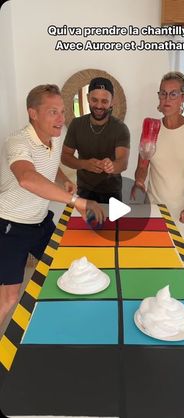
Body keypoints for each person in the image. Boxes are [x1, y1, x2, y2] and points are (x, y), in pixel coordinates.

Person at [0, 84, 105, 328]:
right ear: (33, 113)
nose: (61, 118)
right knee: (9, 297)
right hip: (9, 227)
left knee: (66, 270)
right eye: (53, 112)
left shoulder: (56, 137)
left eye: (62, 111)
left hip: (39, 222)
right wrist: (76, 201)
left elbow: (48, 163)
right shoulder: (17, 142)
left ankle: (61, 326)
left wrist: (64, 179)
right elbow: (27, 177)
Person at [131, 71, 184, 254]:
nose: (167, 98)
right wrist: (139, 183)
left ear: (183, 98)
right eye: (162, 93)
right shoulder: (151, 127)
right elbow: (142, 166)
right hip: (157, 208)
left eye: (173, 94)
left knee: (182, 263)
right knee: (156, 259)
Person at [61, 77, 130, 203]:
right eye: (94, 100)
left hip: (112, 192)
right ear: (88, 98)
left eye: (104, 101)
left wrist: (112, 166)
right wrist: (84, 164)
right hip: (84, 191)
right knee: (85, 223)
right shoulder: (76, 125)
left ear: (112, 102)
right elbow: (65, 157)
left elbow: (123, 163)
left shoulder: (120, 128)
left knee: (112, 223)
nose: (98, 106)